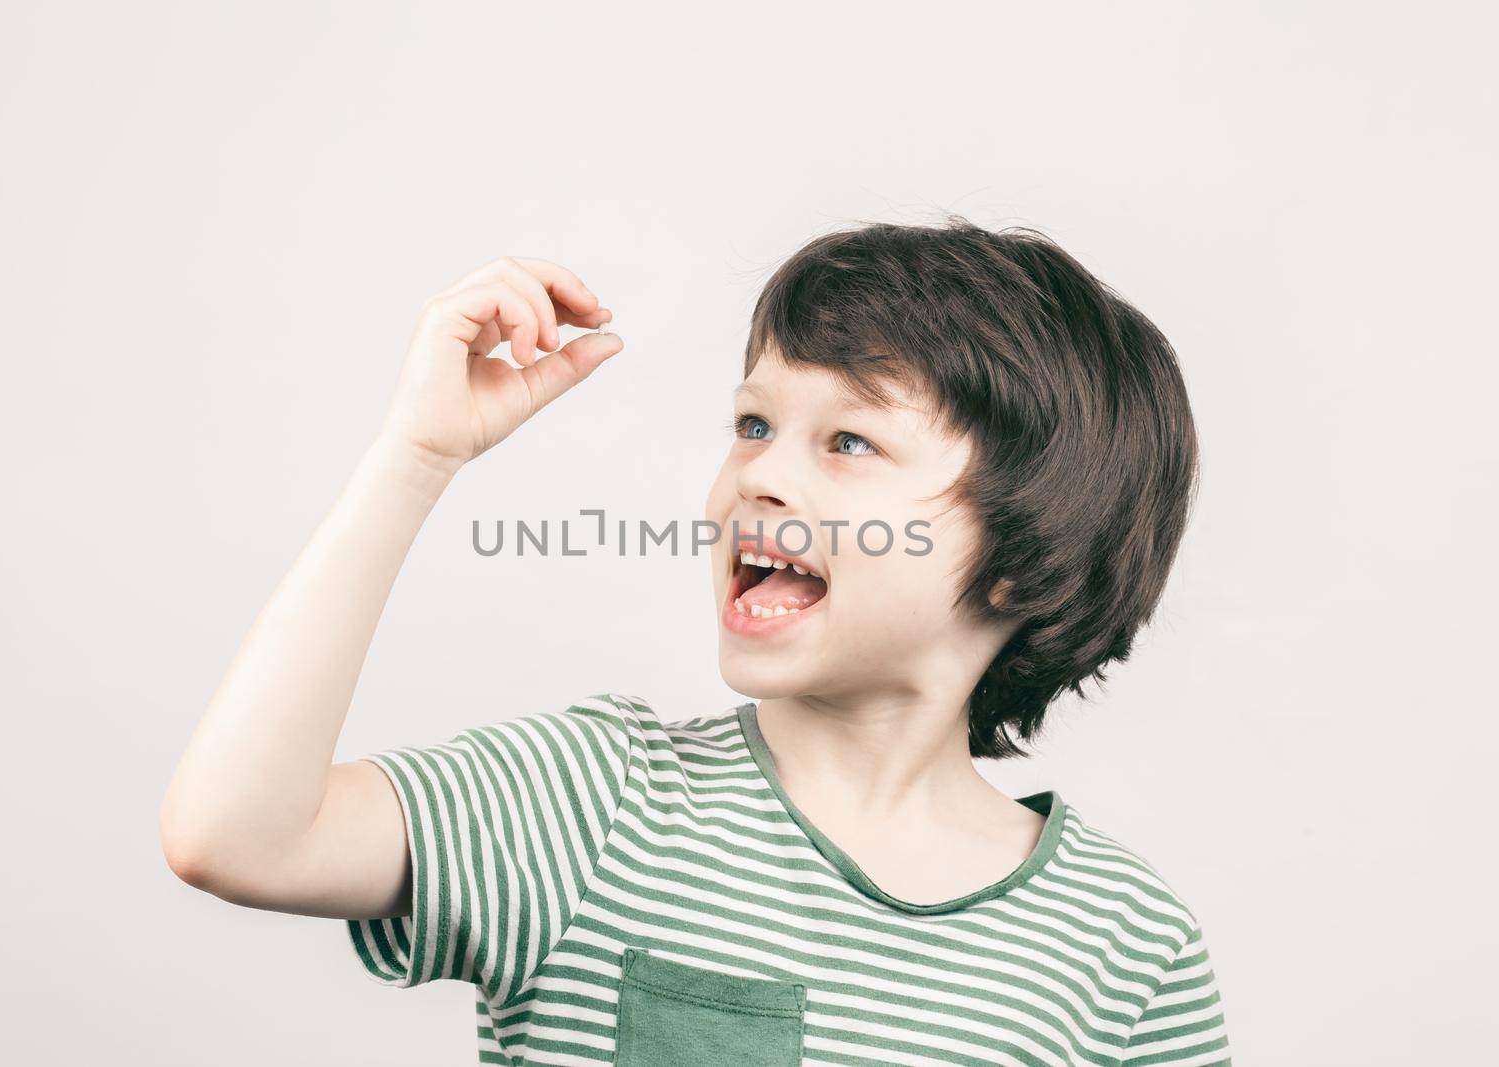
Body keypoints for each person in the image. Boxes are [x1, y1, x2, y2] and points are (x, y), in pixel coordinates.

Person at [160, 218, 1233, 1065]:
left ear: (1019, 556)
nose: (756, 474)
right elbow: (238, 834)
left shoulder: (1127, 947)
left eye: (849, 440)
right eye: (754, 424)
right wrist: (417, 454)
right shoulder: (596, 798)